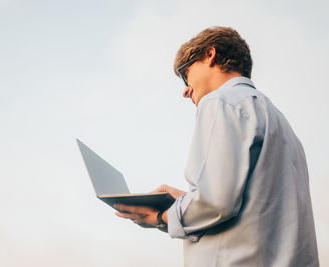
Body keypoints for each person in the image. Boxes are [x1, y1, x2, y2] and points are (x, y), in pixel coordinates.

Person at [114, 26, 319, 266]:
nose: (185, 90)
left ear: (209, 55)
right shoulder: (281, 125)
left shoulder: (219, 101)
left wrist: (163, 216)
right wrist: (187, 200)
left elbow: (216, 202)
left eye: (185, 74)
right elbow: (251, 203)